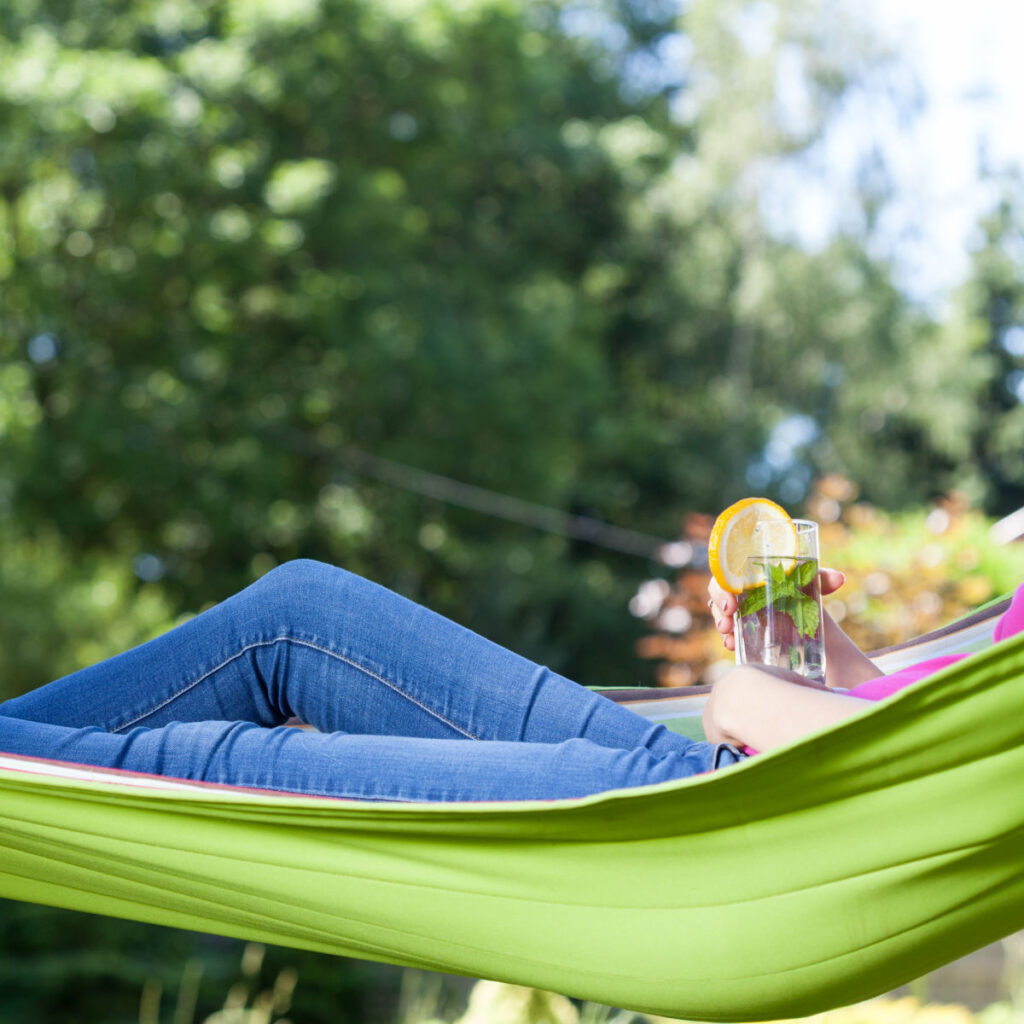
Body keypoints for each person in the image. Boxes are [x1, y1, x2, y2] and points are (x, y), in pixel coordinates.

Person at [0, 560, 1019, 801]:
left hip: (729, 810)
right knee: (300, 612)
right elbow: (930, 725)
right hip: (769, 774)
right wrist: (805, 643)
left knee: (231, 773)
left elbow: (950, 773)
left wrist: (744, 692)